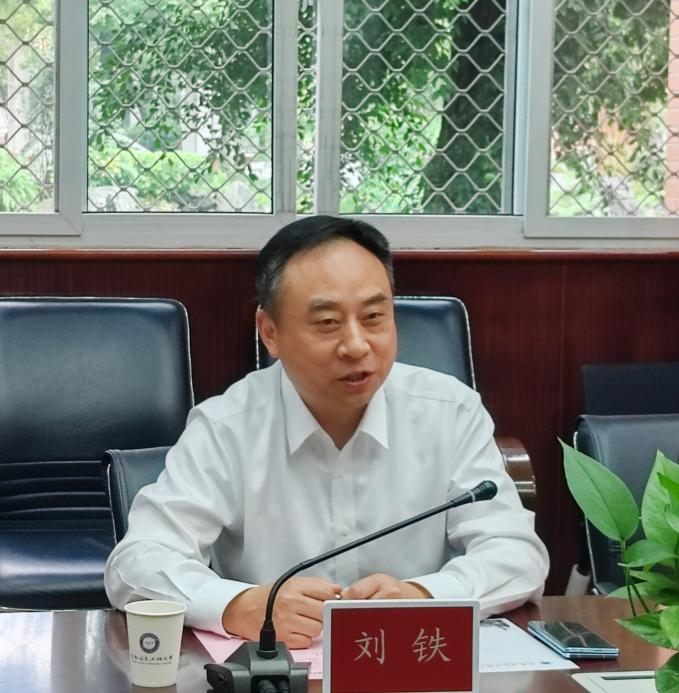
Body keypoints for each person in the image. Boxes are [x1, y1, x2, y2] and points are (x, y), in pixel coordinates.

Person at [105, 215, 549, 648]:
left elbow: (516, 554)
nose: (356, 345)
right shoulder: (226, 427)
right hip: (278, 671)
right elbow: (136, 563)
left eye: (374, 317)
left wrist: (424, 596)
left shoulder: (450, 412)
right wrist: (239, 605)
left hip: (408, 661)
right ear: (270, 332)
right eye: (327, 323)